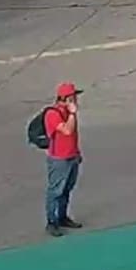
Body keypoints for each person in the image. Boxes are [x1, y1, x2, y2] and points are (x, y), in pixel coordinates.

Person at [43, 81, 84, 237]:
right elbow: (67, 131)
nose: (76, 101)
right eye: (73, 97)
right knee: (55, 191)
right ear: (66, 99)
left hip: (71, 156)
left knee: (67, 189)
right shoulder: (52, 114)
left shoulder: (68, 113)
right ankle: (51, 222)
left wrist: (77, 153)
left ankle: (62, 216)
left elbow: (73, 136)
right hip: (59, 159)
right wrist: (73, 114)